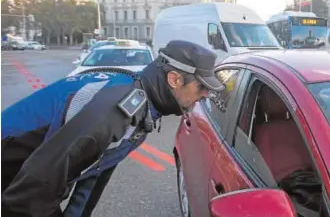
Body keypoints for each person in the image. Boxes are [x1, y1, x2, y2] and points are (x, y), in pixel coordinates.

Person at [1, 40, 224, 217]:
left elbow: (94, 172)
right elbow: (36, 184)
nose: (205, 94)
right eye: (201, 86)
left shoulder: (140, 103)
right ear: (175, 79)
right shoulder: (121, 106)